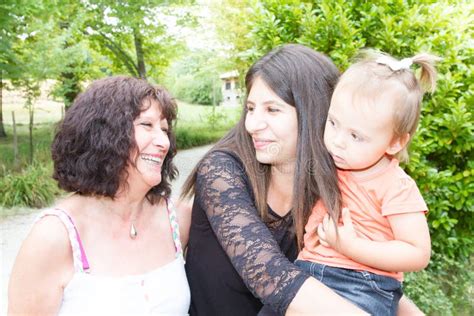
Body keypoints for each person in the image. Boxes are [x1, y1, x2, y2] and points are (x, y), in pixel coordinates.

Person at [182, 44, 367, 315]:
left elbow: (365, 275)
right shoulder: (222, 170)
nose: (252, 124)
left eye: (272, 110)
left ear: (313, 113)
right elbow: (271, 276)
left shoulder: (333, 183)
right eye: (251, 108)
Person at [8, 76, 191, 315]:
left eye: (165, 129)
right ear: (104, 135)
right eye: (147, 125)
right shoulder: (55, 236)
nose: (163, 142)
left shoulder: (179, 218)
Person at [296, 51, 437, 315]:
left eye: (355, 136)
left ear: (395, 142)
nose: (337, 140)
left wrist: (352, 247)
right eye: (333, 123)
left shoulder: (395, 185)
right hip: (307, 270)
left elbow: (417, 253)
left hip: (362, 285)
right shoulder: (332, 162)